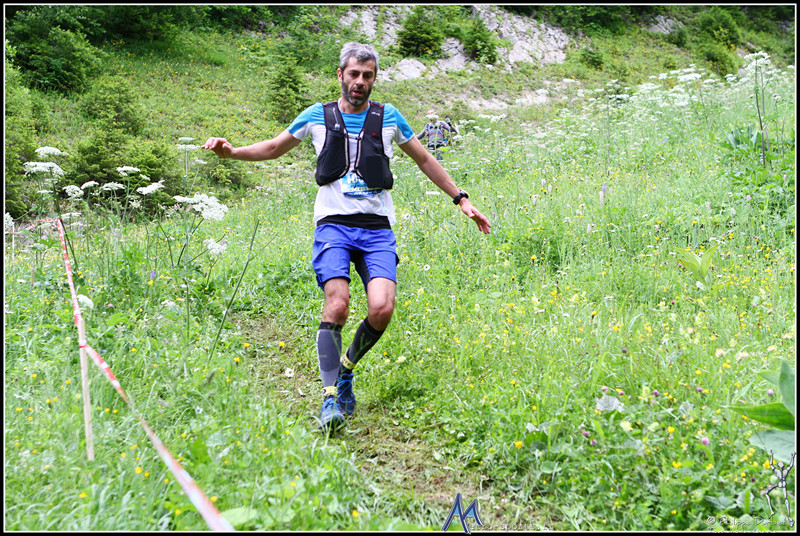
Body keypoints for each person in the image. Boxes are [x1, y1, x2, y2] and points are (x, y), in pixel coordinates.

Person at [202, 42, 491, 434]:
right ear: (340, 74)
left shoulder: (388, 118)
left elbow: (424, 159)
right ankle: (328, 399)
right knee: (337, 305)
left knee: (382, 308)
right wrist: (232, 152)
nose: (360, 82)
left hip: (377, 229)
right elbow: (272, 148)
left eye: (367, 75)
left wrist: (461, 199)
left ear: (374, 79)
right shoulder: (317, 116)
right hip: (333, 226)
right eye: (353, 74)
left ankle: (346, 370)